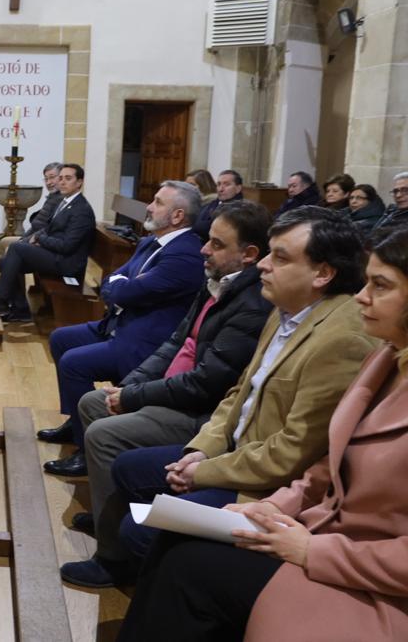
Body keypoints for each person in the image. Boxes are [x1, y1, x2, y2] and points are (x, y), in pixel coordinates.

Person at [117, 227, 408, 642]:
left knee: (187, 565)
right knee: (174, 541)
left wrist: (313, 549)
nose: (361, 296)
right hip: (318, 526)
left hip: (362, 566)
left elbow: (296, 449)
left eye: (380, 285)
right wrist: (273, 505)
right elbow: (328, 463)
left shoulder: (350, 340)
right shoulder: (386, 356)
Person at [104, 206, 376, 569]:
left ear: (322, 273)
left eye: (280, 258)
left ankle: (158, 576)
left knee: (141, 531)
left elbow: (294, 452)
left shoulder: (342, 339)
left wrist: (205, 472)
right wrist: (202, 450)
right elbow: (240, 393)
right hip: (235, 451)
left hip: (266, 486)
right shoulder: (286, 309)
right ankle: (131, 568)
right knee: (129, 468)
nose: (263, 265)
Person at [58, 201, 274, 588]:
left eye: (217, 244)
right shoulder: (217, 283)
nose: (204, 249)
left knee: (104, 434)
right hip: (178, 393)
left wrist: (134, 397)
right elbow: (175, 343)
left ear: (249, 254)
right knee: (94, 402)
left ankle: (114, 559)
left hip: (202, 413)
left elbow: (206, 383)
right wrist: (131, 386)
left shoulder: (252, 304)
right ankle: (111, 512)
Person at [39, 181, 204, 474]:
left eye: (158, 202)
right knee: (62, 338)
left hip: (146, 339)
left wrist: (121, 287)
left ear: (178, 215)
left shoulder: (186, 254)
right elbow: (114, 280)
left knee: (74, 363)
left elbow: (126, 291)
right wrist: (121, 286)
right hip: (121, 323)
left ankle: (86, 451)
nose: (149, 207)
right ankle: (76, 421)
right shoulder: (151, 242)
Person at [0, 163, 95, 323]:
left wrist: (40, 240)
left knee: (17, 248)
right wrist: (39, 238)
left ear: (79, 182)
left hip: (66, 263)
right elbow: (47, 228)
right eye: (60, 178)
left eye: (68, 178)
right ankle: (20, 310)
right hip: (55, 254)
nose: (62, 182)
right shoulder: (65, 202)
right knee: (4, 261)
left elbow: (67, 246)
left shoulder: (81, 210)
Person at [0, 161, 63, 253]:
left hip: (41, 240)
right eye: (46, 179)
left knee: (10, 249)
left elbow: (46, 230)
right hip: (33, 236)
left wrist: (23, 242)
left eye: (52, 177)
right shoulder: (52, 196)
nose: (48, 182)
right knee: (2, 242)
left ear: (62, 177)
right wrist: (22, 239)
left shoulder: (62, 200)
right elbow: (35, 226)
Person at [191, 169, 243, 240]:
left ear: (238, 188)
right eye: (218, 184)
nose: (221, 189)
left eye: (227, 184)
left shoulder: (240, 210)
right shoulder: (211, 204)